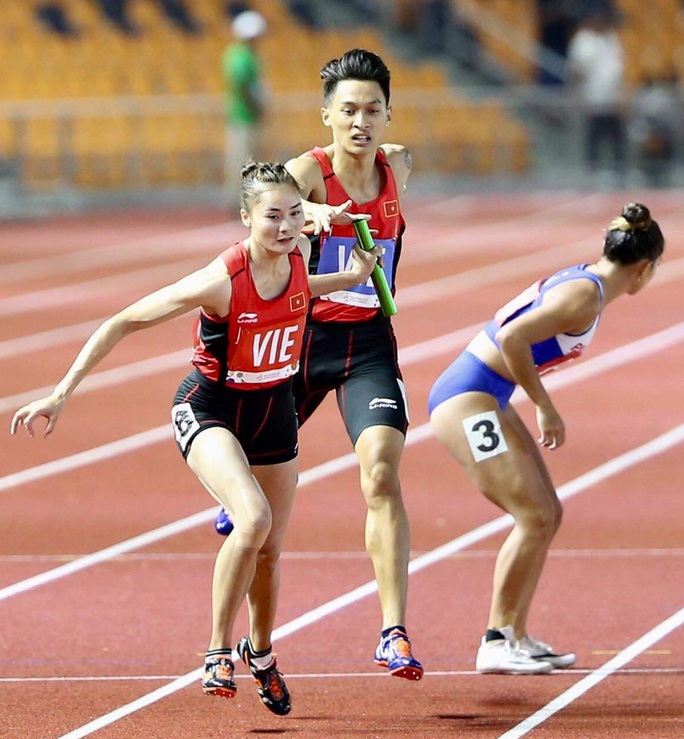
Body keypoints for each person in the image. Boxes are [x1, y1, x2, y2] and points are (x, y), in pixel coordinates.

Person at [10, 162, 379, 714]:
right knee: (254, 518)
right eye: (272, 216)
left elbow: (300, 288)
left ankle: (262, 653)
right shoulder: (221, 280)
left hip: (274, 407)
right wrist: (61, 392)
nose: (285, 226)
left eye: (294, 214)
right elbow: (123, 320)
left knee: (271, 551)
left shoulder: (297, 256)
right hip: (211, 407)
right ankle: (216, 651)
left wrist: (348, 279)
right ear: (246, 218)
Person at [216, 48, 424, 681]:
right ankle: (253, 638)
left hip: (369, 346)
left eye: (373, 111)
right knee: (260, 513)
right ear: (327, 115)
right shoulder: (308, 169)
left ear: (388, 116)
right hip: (302, 344)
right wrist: (314, 214)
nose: (361, 123)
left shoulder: (399, 167)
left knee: (382, 474)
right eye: (348, 111)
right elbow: (262, 204)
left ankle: (393, 632)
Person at [428, 202, 664, 675]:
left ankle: (514, 633)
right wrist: (544, 405)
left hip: (488, 396)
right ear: (644, 269)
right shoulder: (585, 297)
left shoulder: (586, 281)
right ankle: (496, 640)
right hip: (468, 398)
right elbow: (513, 337)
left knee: (547, 513)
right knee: (533, 515)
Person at [565, 7, 627, 184]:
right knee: (594, 137)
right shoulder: (583, 40)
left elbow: (618, 69)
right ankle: (590, 174)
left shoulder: (611, 38)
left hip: (613, 99)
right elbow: (578, 70)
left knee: (616, 137)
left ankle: (618, 173)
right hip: (593, 99)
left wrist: (622, 94)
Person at [222, 10, 268, 200]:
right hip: (243, 116)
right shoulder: (241, 56)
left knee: (250, 160)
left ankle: (246, 198)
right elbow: (242, 85)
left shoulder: (246, 55)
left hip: (248, 116)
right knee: (242, 160)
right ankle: (239, 200)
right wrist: (256, 106)